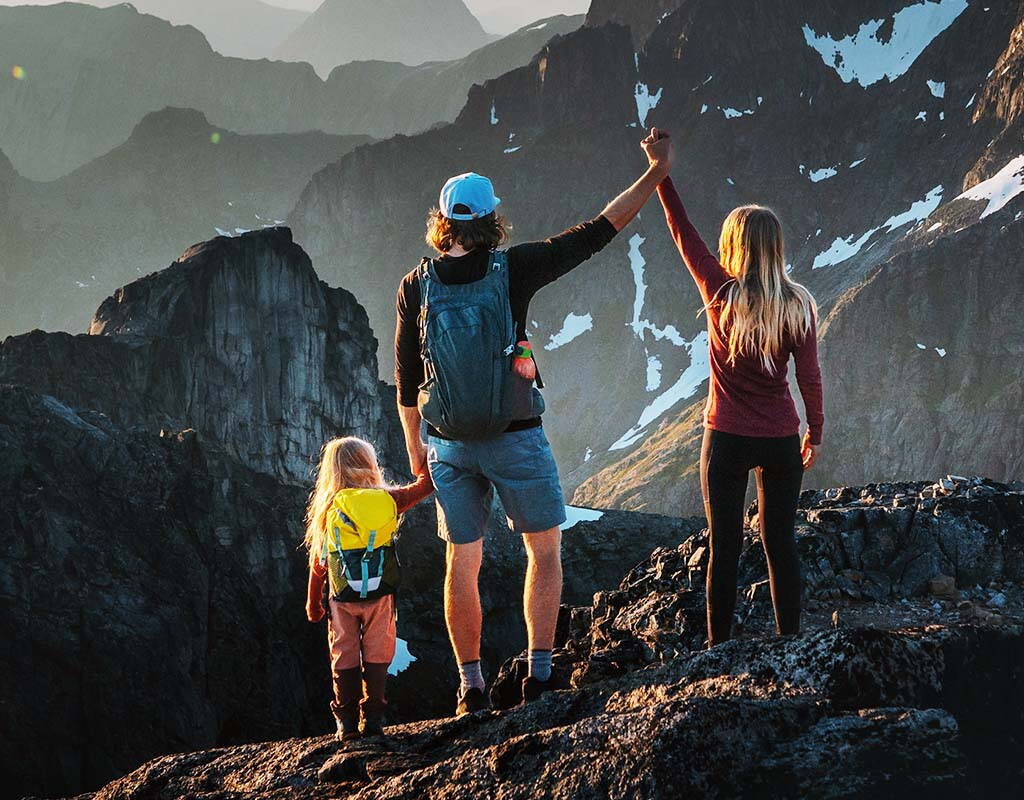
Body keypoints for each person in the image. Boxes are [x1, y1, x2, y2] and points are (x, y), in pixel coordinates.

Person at [394, 130, 676, 714]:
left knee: (461, 561)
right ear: (493, 219)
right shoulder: (513, 269)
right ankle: (540, 677)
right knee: (543, 552)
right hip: (515, 437)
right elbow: (600, 230)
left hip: (447, 444)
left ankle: (469, 686)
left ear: (442, 222)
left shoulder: (415, 286)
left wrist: (420, 462)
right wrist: (655, 173)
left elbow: (405, 382)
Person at [650, 128, 823, 647]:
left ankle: (716, 647)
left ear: (735, 248)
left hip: (724, 437)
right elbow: (808, 376)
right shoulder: (798, 304)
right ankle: (790, 640)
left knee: (723, 546)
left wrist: (662, 172)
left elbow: (682, 233)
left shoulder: (719, 291)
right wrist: (815, 431)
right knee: (780, 543)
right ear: (775, 249)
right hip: (779, 440)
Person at [304, 437, 433, 741]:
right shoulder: (388, 500)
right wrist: (427, 455)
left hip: (341, 597)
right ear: (371, 466)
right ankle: (373, 716)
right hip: (380, 594)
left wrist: (314, 602)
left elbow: (319, 562)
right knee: (377, 651)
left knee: (344, 652)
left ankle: (346, 722)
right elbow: (425, 486)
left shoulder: (328, 508)